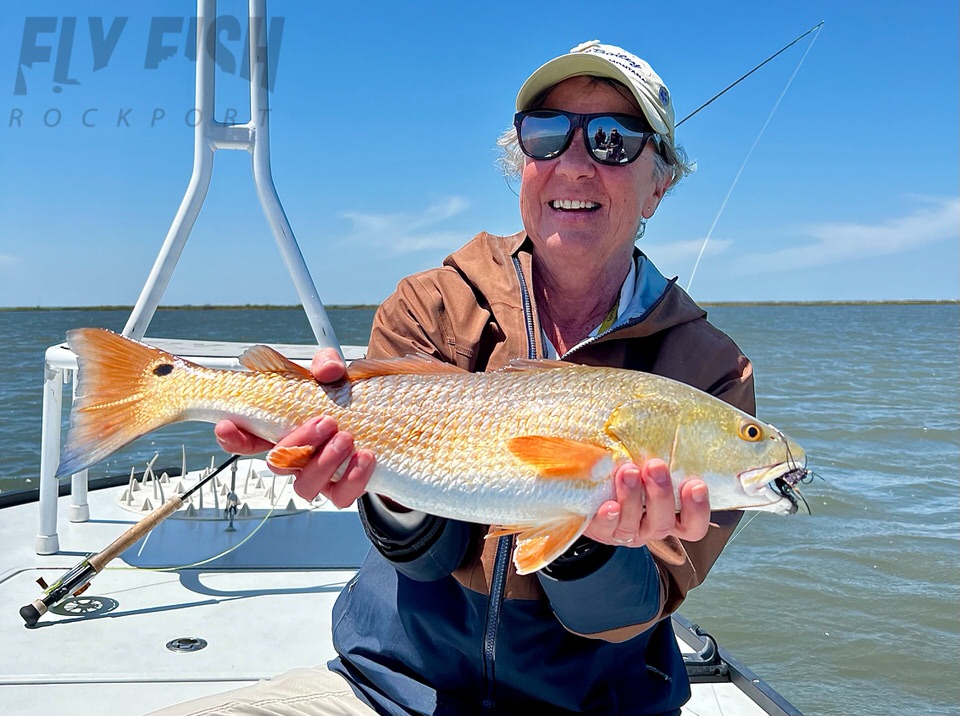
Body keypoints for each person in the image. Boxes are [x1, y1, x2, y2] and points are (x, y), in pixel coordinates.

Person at [155, 39, 755, 716]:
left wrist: (586, 542)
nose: (577, 165)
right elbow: (425, 562)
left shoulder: (710, 371)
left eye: (614, 141)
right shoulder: (431, 304)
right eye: (549, 135)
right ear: (522, 162)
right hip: (392, 688)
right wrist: (387, 491)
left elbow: (624, 615)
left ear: (660, 182)